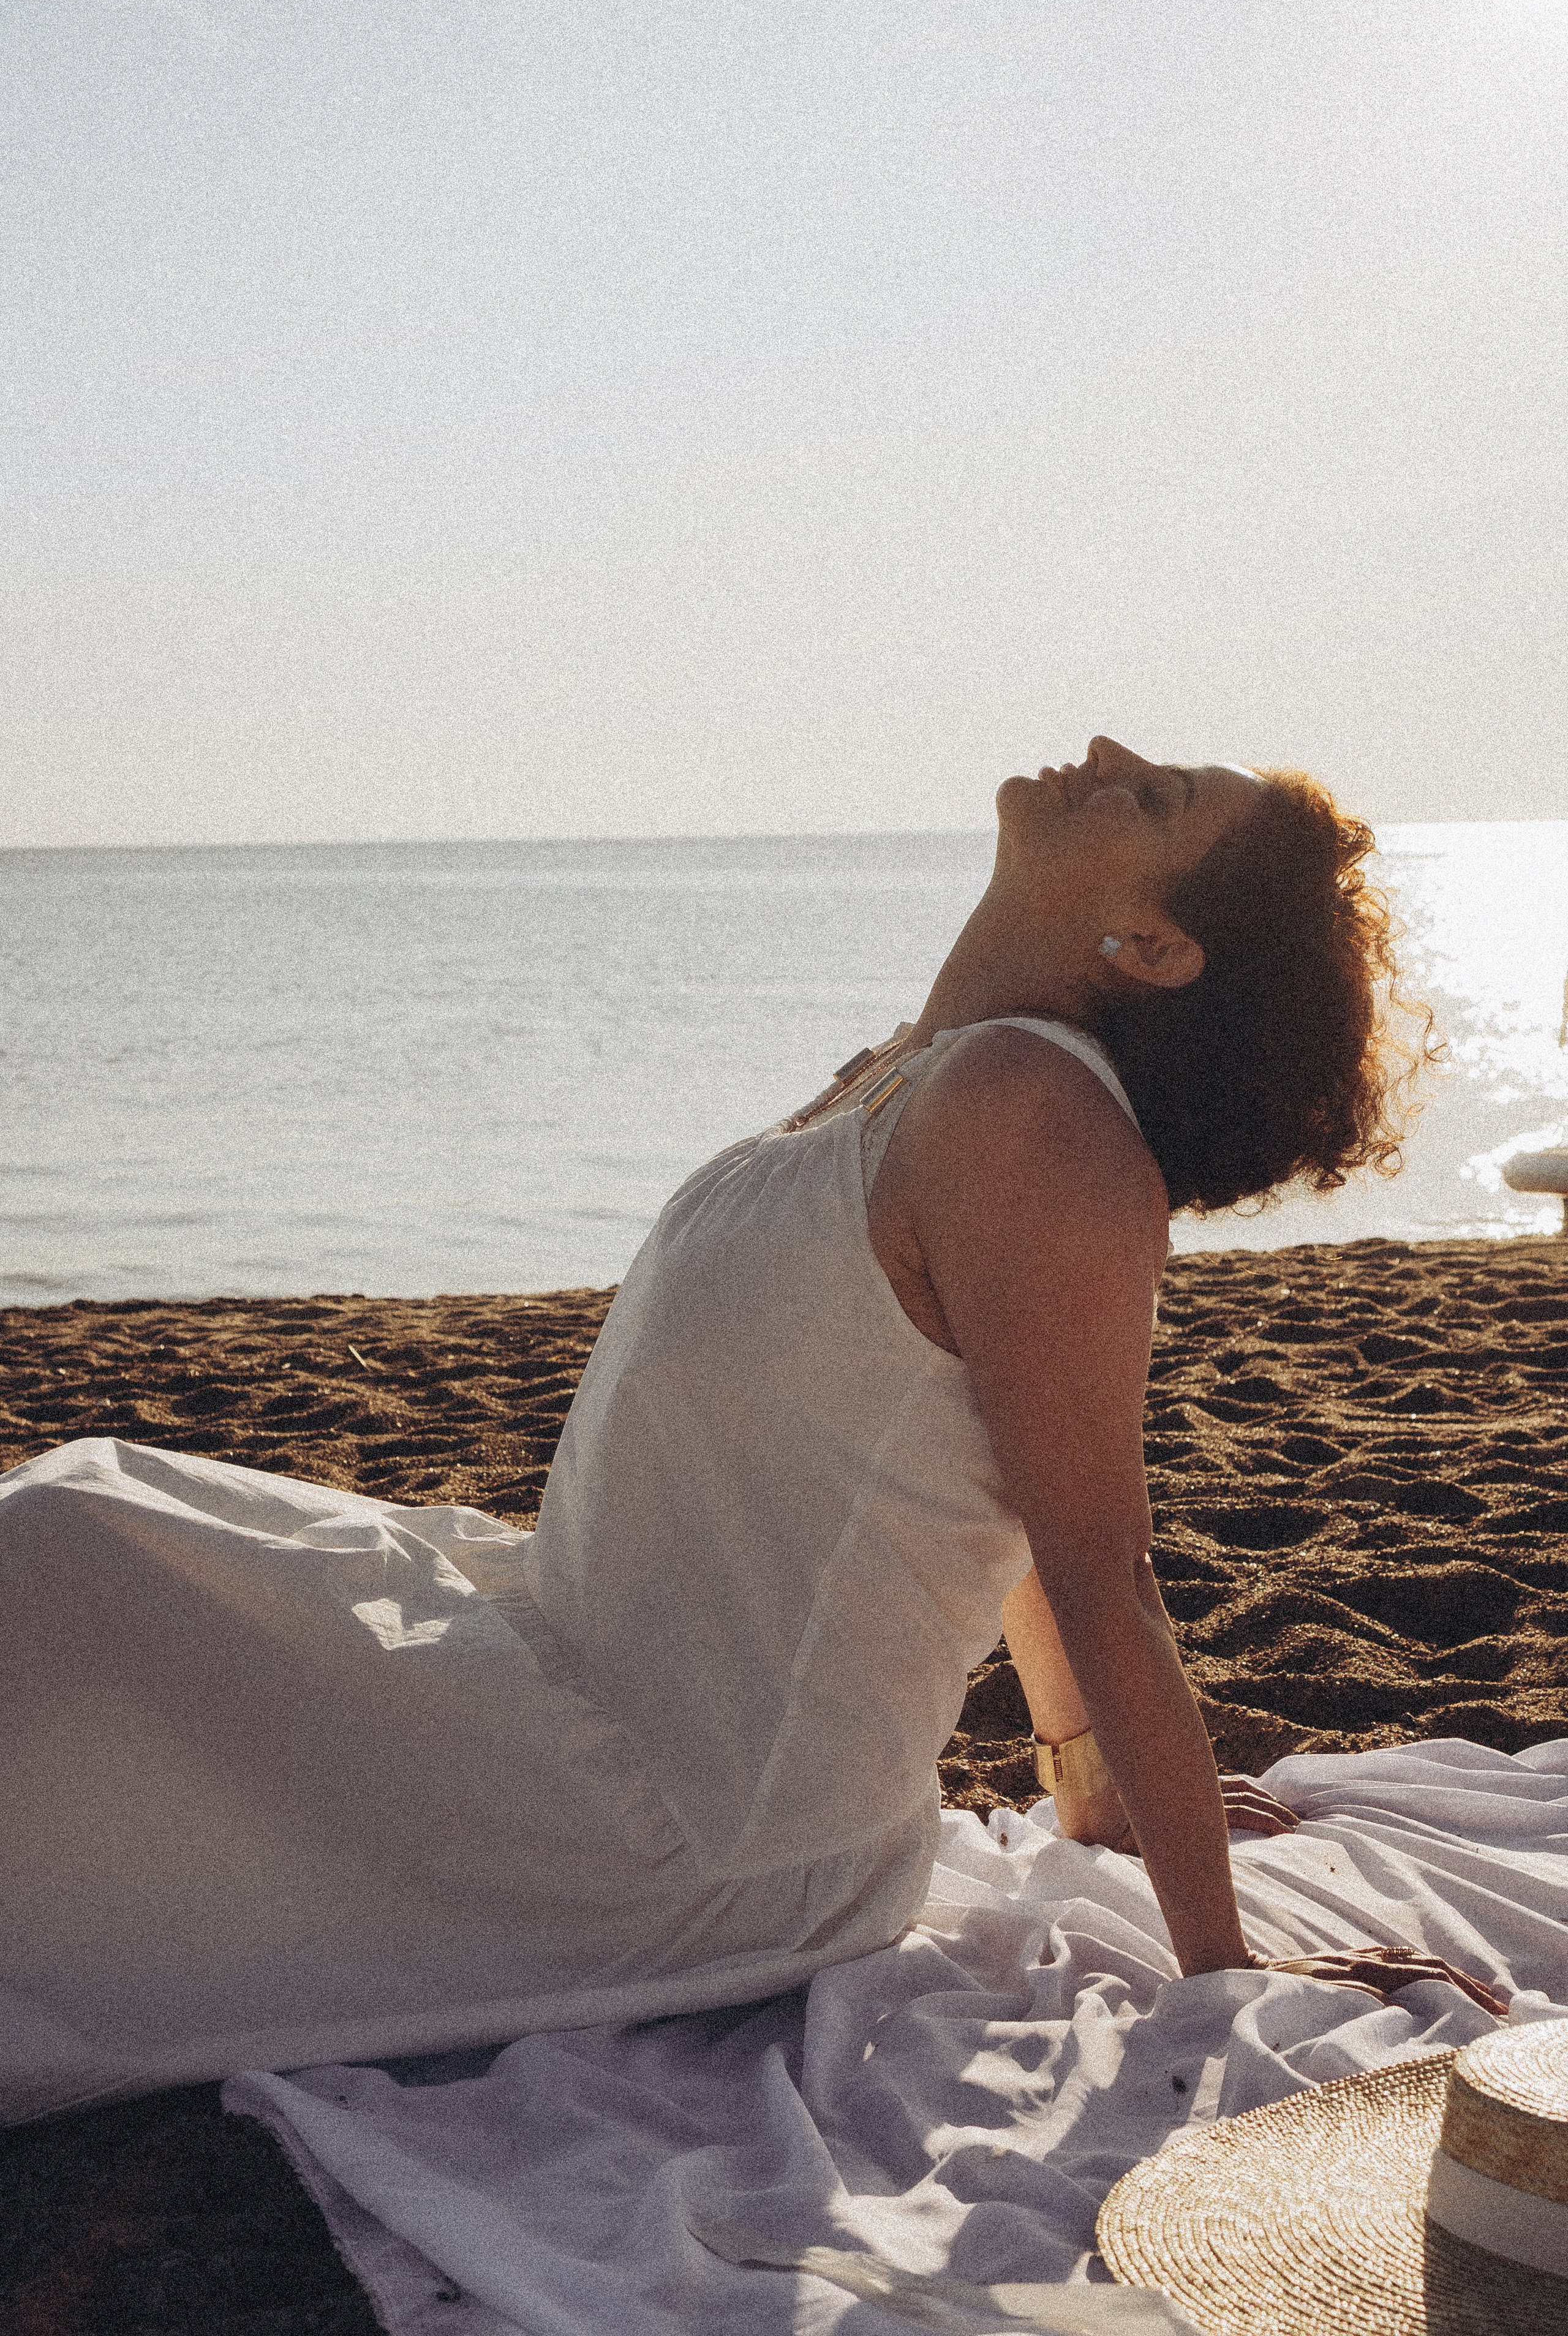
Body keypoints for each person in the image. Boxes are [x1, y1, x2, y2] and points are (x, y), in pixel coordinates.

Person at [0, 737, 1489, 2128]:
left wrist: (1219, 1960)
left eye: (1154, 797)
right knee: (88, 1523)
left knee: (65, 1558)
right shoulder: (922, 1068)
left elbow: (1097, 1551)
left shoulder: (1037, 1124)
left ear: (1153, 950)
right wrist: (1077, 1770)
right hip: (559, 1639)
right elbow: (995, 1469)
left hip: (685, 1814)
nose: (1103, 755)